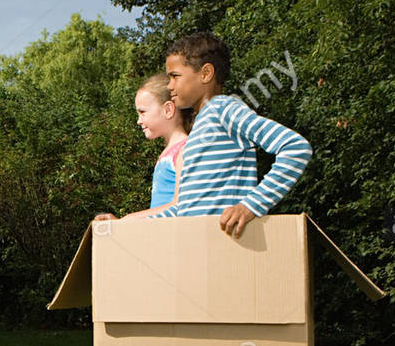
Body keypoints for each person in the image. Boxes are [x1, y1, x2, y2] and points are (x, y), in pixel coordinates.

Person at [154, 32, 311, 237]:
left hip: (226, 247)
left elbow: (296, 147)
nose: (169, 85)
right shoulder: (196, 132)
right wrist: (125, 225)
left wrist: (251, 206)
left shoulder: (223, 109)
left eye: (175, 76)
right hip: (198, 247)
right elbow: (185, 207)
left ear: (205, 73)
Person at [100, 73, 191, 221]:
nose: (138, 121)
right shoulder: (168, 152)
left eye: (142, 112)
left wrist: (128, 220)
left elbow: (180, 205)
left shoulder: (184, 150)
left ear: (168, 109)